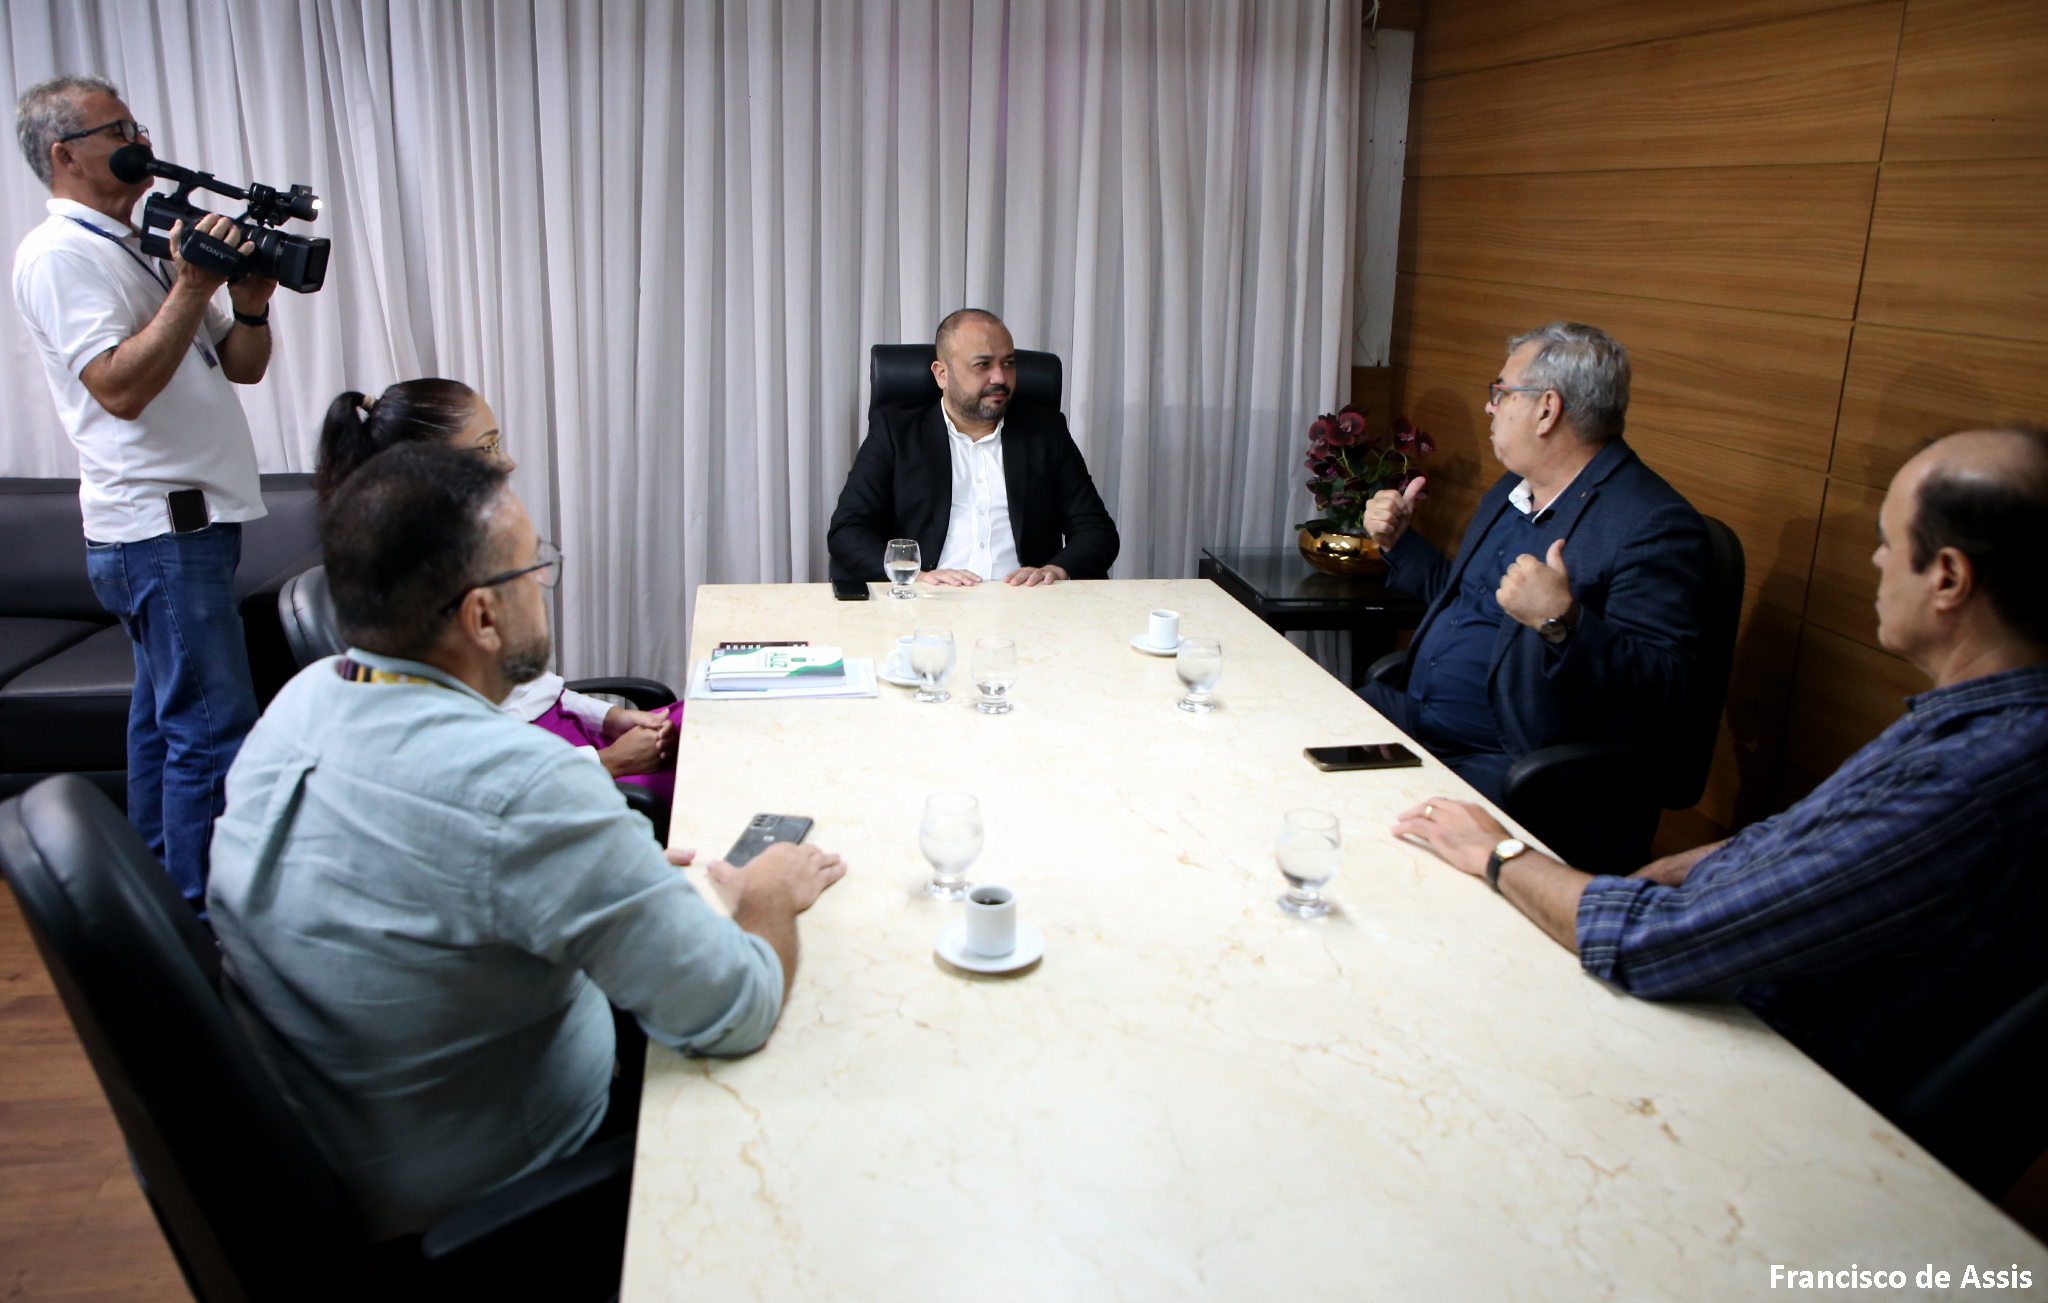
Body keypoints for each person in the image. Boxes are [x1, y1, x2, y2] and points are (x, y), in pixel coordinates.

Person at [208, 442, 846, 1239]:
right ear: (482, 615)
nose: (545, 583)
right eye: (532, 567)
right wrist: (769, 896)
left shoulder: (298, 704)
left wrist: (599, 871)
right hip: (501, 1198)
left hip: (330, 1148)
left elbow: (423, 874)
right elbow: (736, 1006)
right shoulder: (524, 785)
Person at [1393, 428, 2048, 1118]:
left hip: (1752, 1081)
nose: (1876, 559)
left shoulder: (1968, 779)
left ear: (1947, 578)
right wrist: (1668, 870)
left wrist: (1499, 853)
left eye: (1889, 540)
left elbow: (1651, 942)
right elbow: (1809, 835)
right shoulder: (1977, 721)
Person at [12, 75, 280, 906]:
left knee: (167, 733)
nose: (141, 143)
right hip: (158, 531)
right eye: (119, 131)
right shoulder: (58, 255)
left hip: (193, 526)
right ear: (66, 154)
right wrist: (193, 287)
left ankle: (156, 901)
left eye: (138, 126)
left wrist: (249, 306)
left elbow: (242, 367)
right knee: (212, 732)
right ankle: (204, 921)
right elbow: (118, 389)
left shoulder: (142, 242)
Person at [1358, 321, 1711, 868]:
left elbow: (1666, 693)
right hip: (1413, 715)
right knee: (1283, 740)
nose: (1490, 406)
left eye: (1501, 392)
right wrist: (1399, 543)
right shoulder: (1513, 489)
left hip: (1512, 762)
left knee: (1367, 847)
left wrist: (1561, 620)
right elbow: (1468, 602)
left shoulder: (1652, 523)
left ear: (1547, 410)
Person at [315, 379, 678, 793]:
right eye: (487, 447)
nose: (507, 462)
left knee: (706, 725)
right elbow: (468, 768)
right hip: (536, 771)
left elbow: (525, 689)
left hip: (556, 747)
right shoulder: (424, 586)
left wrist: (607, 718)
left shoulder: (468, 542)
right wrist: (608, 762)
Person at [827, 308, 1119, 586]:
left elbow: (1096, 531)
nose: (1000, 378)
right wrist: (918, 578)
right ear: (942, 374)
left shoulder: (1045, 432)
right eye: (983, 365)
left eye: (1008, 363)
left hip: (1025, 601)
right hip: (930, 600)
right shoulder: (896, 432)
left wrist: (1055, 570)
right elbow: (847, 531)